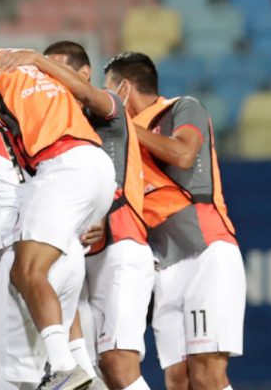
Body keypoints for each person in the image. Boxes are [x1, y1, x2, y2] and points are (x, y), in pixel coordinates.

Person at [0, 50, 117, 390]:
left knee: (27, 270)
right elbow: (83, 94)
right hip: (96, 166)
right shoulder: (37, 74)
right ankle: (80, 365)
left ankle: (65, 367)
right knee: (51, 269)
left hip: (61, 165)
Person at [0, 41, 154, 390]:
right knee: (95, 363)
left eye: (54, 70)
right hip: (82, 250)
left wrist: (35, 59)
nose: (47, 79)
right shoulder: (58, 123)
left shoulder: (107, 106)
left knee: (119, 363)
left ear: (83, 73)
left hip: (120, 244)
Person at [105, 52, 245, 390]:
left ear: (124, 88)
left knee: (207, 375)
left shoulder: (183, 108)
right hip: (164, 265)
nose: (105, 101)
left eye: (108, 90)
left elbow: (183, 153)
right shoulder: (119, 140)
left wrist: (124, 125)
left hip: (206, 251)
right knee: (178, 379)